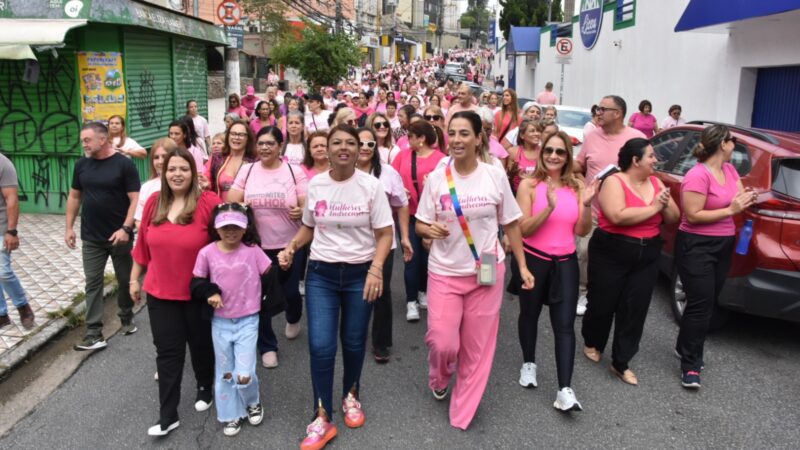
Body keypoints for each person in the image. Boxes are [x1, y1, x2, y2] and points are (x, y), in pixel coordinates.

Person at [277, 124, 394, 450]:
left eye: (350, 143)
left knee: (355, 342)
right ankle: (321, 416)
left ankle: (351, 395)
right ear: (326, 149)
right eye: (337, 143)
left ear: (359, 150)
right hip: (321, 275)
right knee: (320, 345)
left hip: (361, 275)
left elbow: (385, 233)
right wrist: (291, 247)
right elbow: (309, 227)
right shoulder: (317, 184)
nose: (343, 148)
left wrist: (376, 269)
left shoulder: (371, 186)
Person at [415, 110, 534, 429]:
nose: (456, 139)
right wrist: (429, 231)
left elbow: (509, 221)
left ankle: (463, 410)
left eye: (464, 133)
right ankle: (440, 375)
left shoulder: (494, 175)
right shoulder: (438, 178)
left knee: (476, 347)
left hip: (487, 269)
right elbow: (420, 223)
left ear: (479, 138)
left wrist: (522, 265)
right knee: (443, 342)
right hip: (445, 271)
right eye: (451, 133)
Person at [131, 148, 221, 437]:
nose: (177, 174)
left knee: (201, 346)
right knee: (167, 354)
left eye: (183, 169)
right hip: (160, 293)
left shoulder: (208, 202)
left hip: (197, 294)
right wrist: (134, 280)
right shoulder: (154, 203)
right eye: (172, 169)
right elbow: (142, 247)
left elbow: (227, 243)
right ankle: (167, 414)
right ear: (162, 172)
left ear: (193, 173)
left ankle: (205, 386)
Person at [581, 138, 679, 385]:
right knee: (603, 302)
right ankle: (593, 341)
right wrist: (655, 206)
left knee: (635, 308)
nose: (655, 160)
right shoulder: (614, 181)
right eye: (651, 156)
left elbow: (674, 217)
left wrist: (664, 206)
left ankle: (621, 362)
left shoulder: (657, 182)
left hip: (647, 253)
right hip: (611, 250)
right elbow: (617, 216)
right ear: (635, 160)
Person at [515, 130, 595, 411]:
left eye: (560, 152)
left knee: (564, 325)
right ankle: (528, 363)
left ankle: (564, 389)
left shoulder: (577, 185)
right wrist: (549, 208)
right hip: (534, 260)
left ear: (567, 156)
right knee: (530, 315)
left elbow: (582, 230)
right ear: (541, 152)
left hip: (566, 263)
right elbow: (522, 228)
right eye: (549, 150)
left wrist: (586, 205)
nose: (553, 156)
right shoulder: (528, 185)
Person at [674, 125, 756, 389]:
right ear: (723, 144)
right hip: (696, 244)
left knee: (707, 300)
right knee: (701, 304)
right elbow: (693, 215)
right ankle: (691, 365)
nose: (736, 145)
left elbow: (738, 197)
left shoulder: (730, 170)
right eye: (734, 141)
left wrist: (748, 199)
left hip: (724, 243)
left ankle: (683, 345)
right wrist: (730, 209)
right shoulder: (697, 175)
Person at [228, 126, 309, 369]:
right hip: (256, 246)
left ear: (279, 146)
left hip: (291, 243)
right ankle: (267, 346)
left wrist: (301, 210)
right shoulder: (248, 169)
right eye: (260, 143)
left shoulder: (294, 172)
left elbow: (307, 205)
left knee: (291, 292)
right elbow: (231, 200)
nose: (264, 147)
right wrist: (241, 203)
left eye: (270, 143)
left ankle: (293, 316)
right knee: (259, 297)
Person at [192, 203, 270, 437]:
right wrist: (210, 292)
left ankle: (252, 401)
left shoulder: (253, 250)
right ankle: (230, 414)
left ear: (246, 228)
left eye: (236, 227)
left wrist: (284, 265)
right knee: (225, 372)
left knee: (244, 374)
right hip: (220, 322)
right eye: (225, 227)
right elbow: (196, 282)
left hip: (248, 320)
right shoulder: (206, 253)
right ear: (216, 228)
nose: (231, 231)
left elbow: (271, 274)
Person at [66, 122, 140, 351]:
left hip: (120, 236)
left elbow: (135, 200)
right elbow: (75, 196)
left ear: (103, 139)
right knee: (93, 283)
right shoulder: (81, 164)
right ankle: (93, 332)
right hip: (91, 236)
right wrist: (68, 227)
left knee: (124, 278)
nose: (84, 144)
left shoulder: (123, 165)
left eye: (87, 140)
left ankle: (126, 315)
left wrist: (126, 229)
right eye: (83, 140)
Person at [574, 95, 646, 316]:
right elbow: (581, 163)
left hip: (624, 210)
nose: (598, 112)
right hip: (593, 208)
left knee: (617, 256)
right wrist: (566, 165)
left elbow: (646, 170)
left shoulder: (637, 138)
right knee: (584, 251)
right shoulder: (592, 135)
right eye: (597, 108)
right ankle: (583, 292)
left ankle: (613, 294)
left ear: (618, 113)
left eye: (603, 109)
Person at [356, 127, 412, 363]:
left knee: (381, 291)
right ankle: (354, 335)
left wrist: (405, 237)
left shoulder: (388, 173)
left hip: (383, 242)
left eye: (370, 144)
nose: (365, 148)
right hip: (352, 244)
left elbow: (402, 203)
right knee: (354, 292)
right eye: (361, 143)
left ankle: (380, 342)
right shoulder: (342, 172)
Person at [392, 120, 446, 322]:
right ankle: (411, 300)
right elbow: (393, 177)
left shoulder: (441, 159)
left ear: (421, 138)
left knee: (427, 258)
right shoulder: (403, 155)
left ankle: (423, 291)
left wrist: (431, 187)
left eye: (411, 136)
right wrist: (400, 190)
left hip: (432, 218)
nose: (407, 140)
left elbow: (447, 187)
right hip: (409, 214)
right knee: (411, 257)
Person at [0, 154, 34, 330]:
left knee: (3, 272)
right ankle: (1, 314)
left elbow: (11, 198)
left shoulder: (3, 164)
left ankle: (23, 307)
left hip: (1, 227)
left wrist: (11, 231)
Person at [205, 120, 258, 202]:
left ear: (248, 138)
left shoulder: (254, 162)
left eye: (241, 135)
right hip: (220, 210)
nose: (236, 138)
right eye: (233, 134)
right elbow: (209, 184)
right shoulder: (217, 159)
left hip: (245, 210)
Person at [135, 138, 178, 228]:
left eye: (164, 156)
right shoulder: (146, 187)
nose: (160, 161)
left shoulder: (185, 183)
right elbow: (139, 220)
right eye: (156, 157)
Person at [506, 119, 543, 193]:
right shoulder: (513, 152)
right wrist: (512, 173)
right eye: (532, 131)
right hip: (517, 194)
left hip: (538, 194)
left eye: (538, 131)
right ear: (522, 135)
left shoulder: (544, 152)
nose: (536, 134)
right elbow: (507, 179)